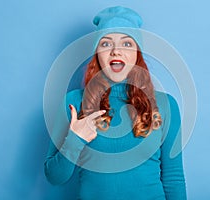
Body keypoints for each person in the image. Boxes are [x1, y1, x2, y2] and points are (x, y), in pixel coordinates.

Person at [44, 6, 187, 200]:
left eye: (127, 44)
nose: (115, 51)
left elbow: (174, 179)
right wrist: (75, 138)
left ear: (137, 53)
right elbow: (54, 177)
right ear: (97, 54)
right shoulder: (73, 103)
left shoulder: (166, 105)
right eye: (106, 43)